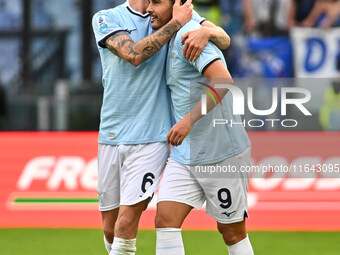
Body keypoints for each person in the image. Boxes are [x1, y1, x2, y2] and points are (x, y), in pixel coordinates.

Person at [92, 0, 230, 254]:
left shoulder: (169, 8)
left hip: (152, 137)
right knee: (110, 228)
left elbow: (225, 39)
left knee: (126, 223)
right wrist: (176, 22)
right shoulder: (106, 17)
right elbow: (133, 54)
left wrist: (207, 31)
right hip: (110, 134)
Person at [147, 0, 254, 254]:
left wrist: (187, 121)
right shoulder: (172, 33)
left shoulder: (190, 36)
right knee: (165, 220)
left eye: (156, 2)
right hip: (186, 154)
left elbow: (224, 81)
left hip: (222, 153)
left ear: (177, 5)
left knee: (232, 232)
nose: (149, 7)